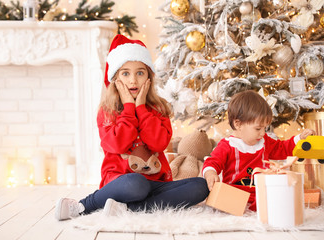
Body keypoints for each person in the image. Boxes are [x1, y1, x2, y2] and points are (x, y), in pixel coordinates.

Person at [55, 34, 209, 221]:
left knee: (200, 186)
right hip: (122, 182)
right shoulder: (107, 111)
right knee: (136, 184)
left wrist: (142, 109)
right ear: (115, 78)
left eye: (140, 73)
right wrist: (129, 108)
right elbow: (118, 145)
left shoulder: (159, 108)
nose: (133, 81)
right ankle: (85, 205)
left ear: (149, 77)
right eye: (126, 73)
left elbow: (158, 144)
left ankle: (132, 209)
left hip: (155, 183)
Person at [202, 90, 315, 211]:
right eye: (258, 128)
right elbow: (212, 162)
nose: (262, 133)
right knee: (221, 197)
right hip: (236, 192)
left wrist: (300, 138)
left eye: (264, 128)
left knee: (284, 192)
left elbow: (282, 148)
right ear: (238, 124)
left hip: (262, 190)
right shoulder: (227, 145)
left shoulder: (264, 141)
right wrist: (211, 173)